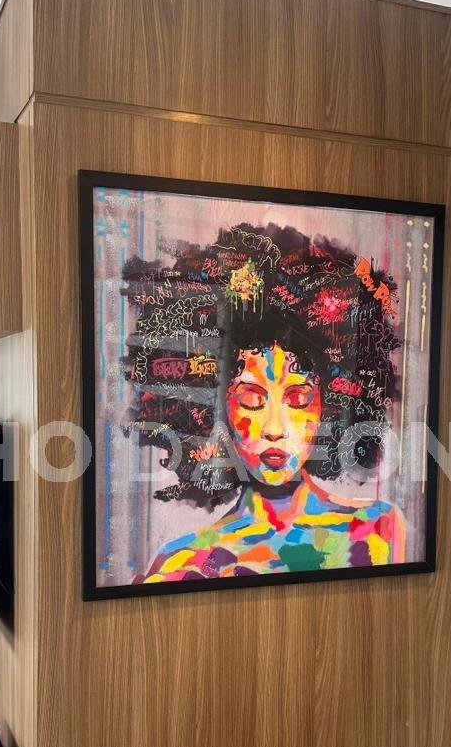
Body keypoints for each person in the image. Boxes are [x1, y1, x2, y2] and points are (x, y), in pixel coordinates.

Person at [120, 222, 407, 584]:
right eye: (251, 399)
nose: (274, 428)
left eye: (298, 398)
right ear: (216, 407)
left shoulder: (377, 532)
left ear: (330, 406)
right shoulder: (183, 565)